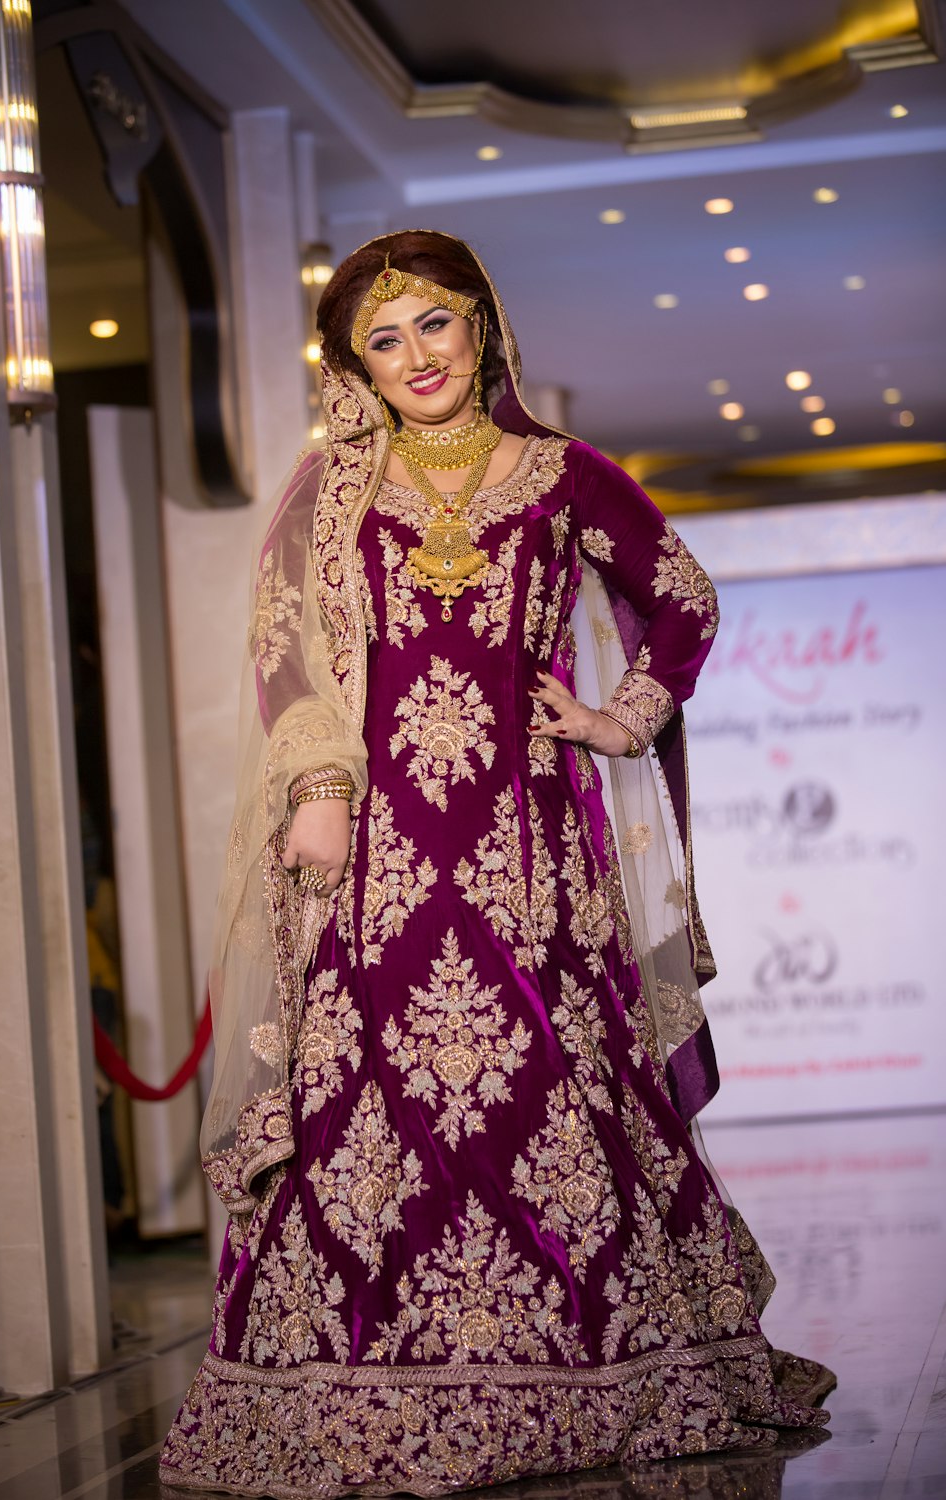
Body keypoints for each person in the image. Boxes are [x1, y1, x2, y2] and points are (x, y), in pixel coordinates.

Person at [161, 231, 833, 1496]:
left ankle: (607, 1363)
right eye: (383, 338)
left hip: (531, 850)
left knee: (556, 1083)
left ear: (482, 329)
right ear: (354, 363)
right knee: (373, 1100)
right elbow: (283, 647)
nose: (415, 357)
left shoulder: (565, 475)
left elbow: (682, 597)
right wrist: (314, 786)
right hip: (377, 847)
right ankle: (361, 1376)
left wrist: (615, 715)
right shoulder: (333, 486)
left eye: (434, 325)